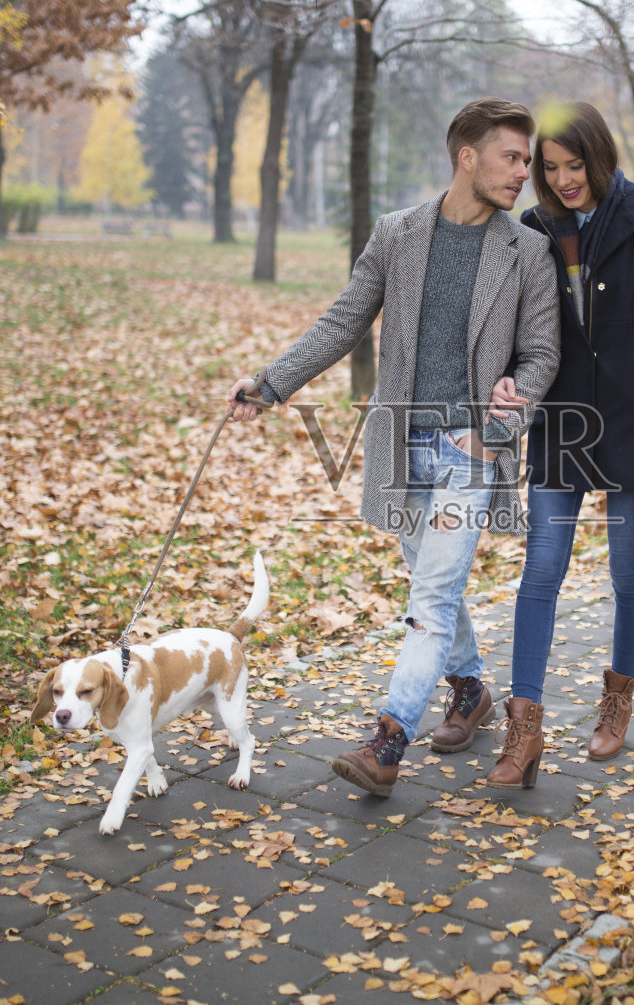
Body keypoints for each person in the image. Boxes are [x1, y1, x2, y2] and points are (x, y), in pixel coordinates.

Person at [223, 97, 559, 798]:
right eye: (511, 156)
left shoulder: (526, 250)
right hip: (402, 447)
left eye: (527, 160)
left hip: (473, 452)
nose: (524, 172)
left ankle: (387, 739)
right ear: (467, 156)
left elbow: (542, 355)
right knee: (431, 588)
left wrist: (501, 418)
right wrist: (271, 383)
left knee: (432, 598)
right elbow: (345, 318)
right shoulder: (398, 235)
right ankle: (468, 689)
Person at [484, 101, 634, 789]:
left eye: (572, 165)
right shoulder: (534, 229)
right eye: (549, 168)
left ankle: (617, 700)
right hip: (561, 425)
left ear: (597, 156)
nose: (562, 179)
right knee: (541, 570)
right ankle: (524, 730)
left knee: (625, 571)